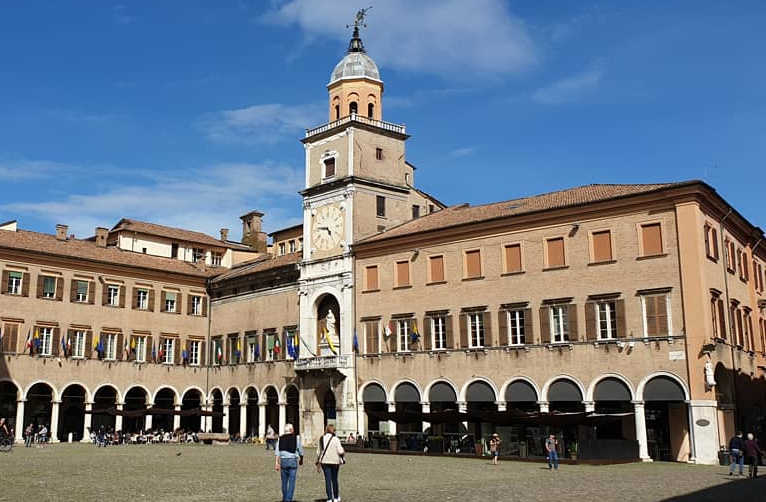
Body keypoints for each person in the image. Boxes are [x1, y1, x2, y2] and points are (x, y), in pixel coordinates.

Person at [316, 424, 345, 502]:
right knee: (334, 479)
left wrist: (318, 461)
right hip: (335, 462)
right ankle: (336, 497)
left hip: (325, 461)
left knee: (327, 480)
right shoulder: (336, 439)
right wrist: (343, 452)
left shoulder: (321, 438)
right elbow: (340, 451)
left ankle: (329, 498)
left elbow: (318, 452)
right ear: (333, 431)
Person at [274, 423, 303, 502]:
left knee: (284, 482)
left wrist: (277, 463)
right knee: (291, 482)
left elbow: (277, 452)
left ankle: (285, 498)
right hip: (292, 461)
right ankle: (288, 499)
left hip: (283, 461)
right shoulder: (296, 438)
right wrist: (301, 459)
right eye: (293, 428)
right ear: (290, 430)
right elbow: (300, 450)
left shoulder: (280, 438)